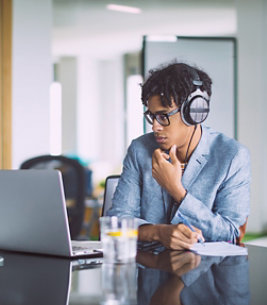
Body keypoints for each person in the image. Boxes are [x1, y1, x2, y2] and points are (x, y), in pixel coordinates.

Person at [107, 62, 250, 250]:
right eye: (152, 116)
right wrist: (158, 232)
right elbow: (114, 227)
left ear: (193, 112)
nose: (155, 126)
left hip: (205, 273)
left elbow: (231, 234)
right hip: (149, 270)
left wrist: (176, 190)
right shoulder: (139, 149)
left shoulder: (232, 156)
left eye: (163, 116)